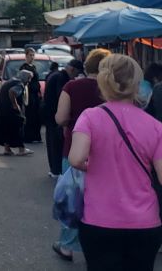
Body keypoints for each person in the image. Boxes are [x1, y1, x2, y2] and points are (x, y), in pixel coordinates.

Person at [68, 54, 162, 269]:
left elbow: (75, 159)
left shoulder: (90, 117)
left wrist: (95, 166)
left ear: (103, 81)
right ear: (138, 84)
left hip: (99, 220)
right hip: (145, 223)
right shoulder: (155, 126)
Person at [52, 48, 111, 262]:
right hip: (106, 151)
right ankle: (98, 244)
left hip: (75, 148)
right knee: (101, 198)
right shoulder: (112, 90)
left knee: (74, 199)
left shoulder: (72, 86)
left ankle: (67, 245)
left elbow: (59, 118)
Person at [43, 59, 83, 177]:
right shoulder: (62, 78)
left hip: (48, 114)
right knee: (57, 144)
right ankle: (57, 169)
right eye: (76, 73)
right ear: (72, 69)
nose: (76, 76)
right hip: (54, 115)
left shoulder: (55, 75)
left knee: (52, 143)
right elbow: (60, 96)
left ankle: (54, 169)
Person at [0, 69, 34, 156]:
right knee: (18, 128)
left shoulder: (10, 81)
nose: (29, 81)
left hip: (3, 110)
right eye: (29, 78)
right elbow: (12, 92)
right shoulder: (19, 84)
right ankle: (22, 149)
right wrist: (15, 105)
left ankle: (7, 149)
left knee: (7, 129)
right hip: (12, 111)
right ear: (25, 78)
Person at [20, 48, 42, 143]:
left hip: (35, 94)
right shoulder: (24, 67)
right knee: (30, 116)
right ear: (26, 56)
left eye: (33, 55)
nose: (32, 57)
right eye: (30, 55)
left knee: (37, 116)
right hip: (29, 95)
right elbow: (23, 82)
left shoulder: (34, 67)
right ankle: (28, 136)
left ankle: (36, 136)